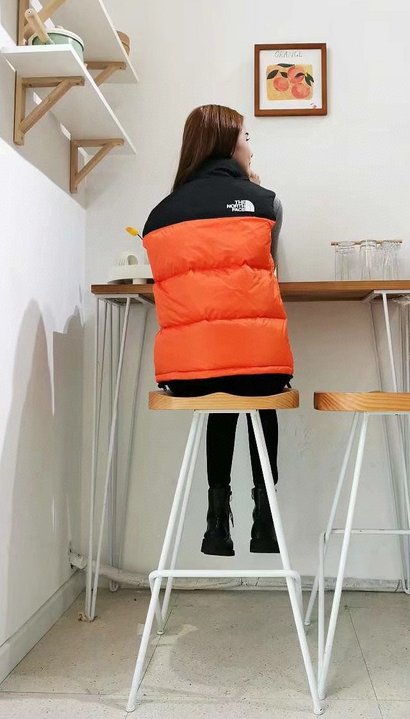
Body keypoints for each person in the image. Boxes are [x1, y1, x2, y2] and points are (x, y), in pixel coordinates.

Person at [142, 104, 293, 556]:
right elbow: (267, 263)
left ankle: (216, 523)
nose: (250, 148)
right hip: (261, 371)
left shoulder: (159, 215)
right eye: (246, 137)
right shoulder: (266, 204)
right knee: (252, 381)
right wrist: (253, 191)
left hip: (186, 376)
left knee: (219, 384)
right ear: (227, 143)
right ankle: (265, 520)